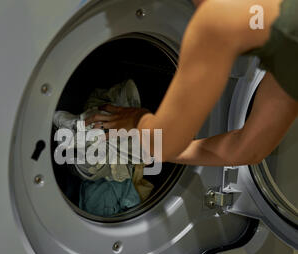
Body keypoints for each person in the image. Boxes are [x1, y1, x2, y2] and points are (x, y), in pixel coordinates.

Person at [85, 0, 298, 166]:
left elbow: (165, 144)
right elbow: (247, 149)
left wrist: (136, 119)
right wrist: (159, 149)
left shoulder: (223, 16)